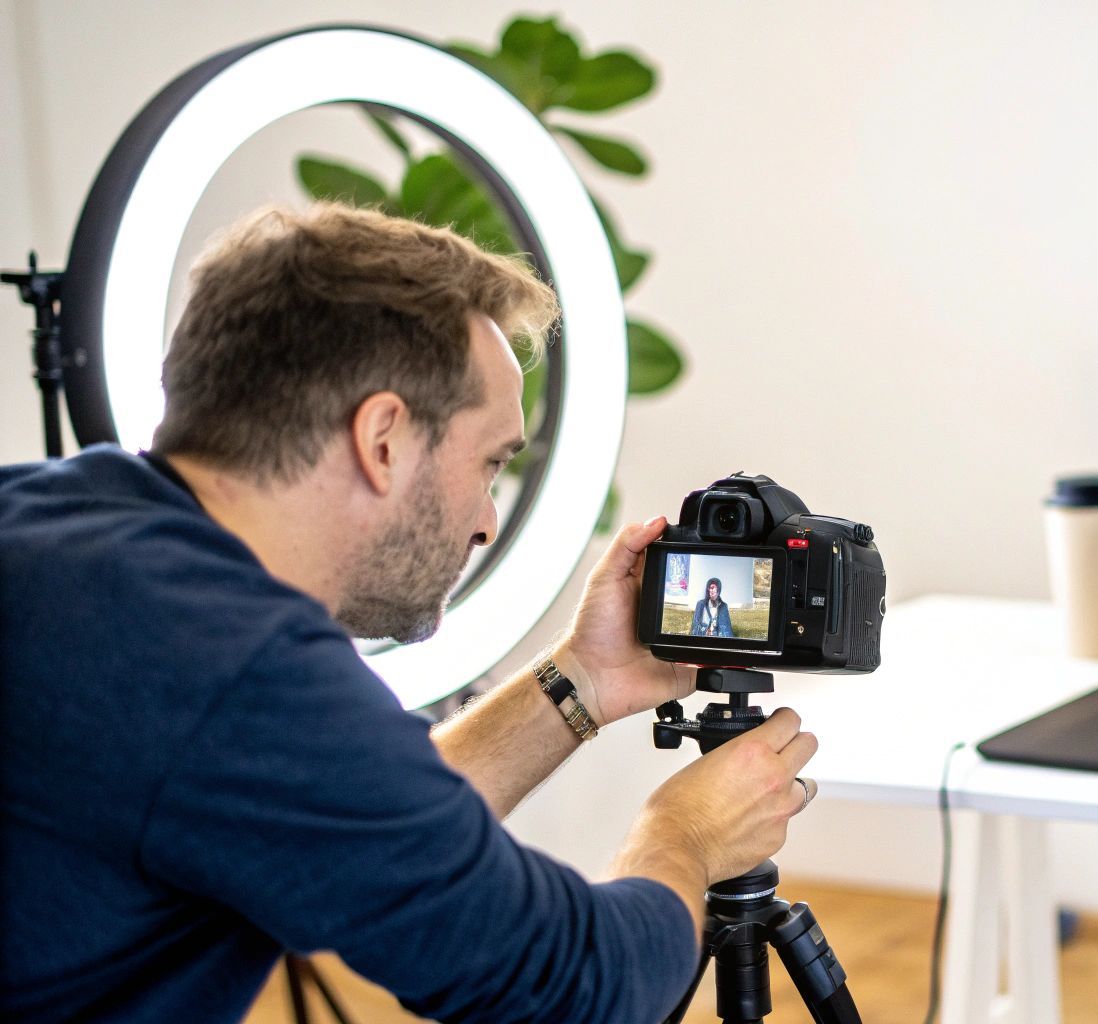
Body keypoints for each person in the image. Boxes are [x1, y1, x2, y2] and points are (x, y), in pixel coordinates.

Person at [0, 204, 820, 1022]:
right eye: (491, 462)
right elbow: (571, 986)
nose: (487, 522)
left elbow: (350, 821)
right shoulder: (233, 664)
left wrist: (585, 676)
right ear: (383, 438)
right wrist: (684, 837)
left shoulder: (52, 525)